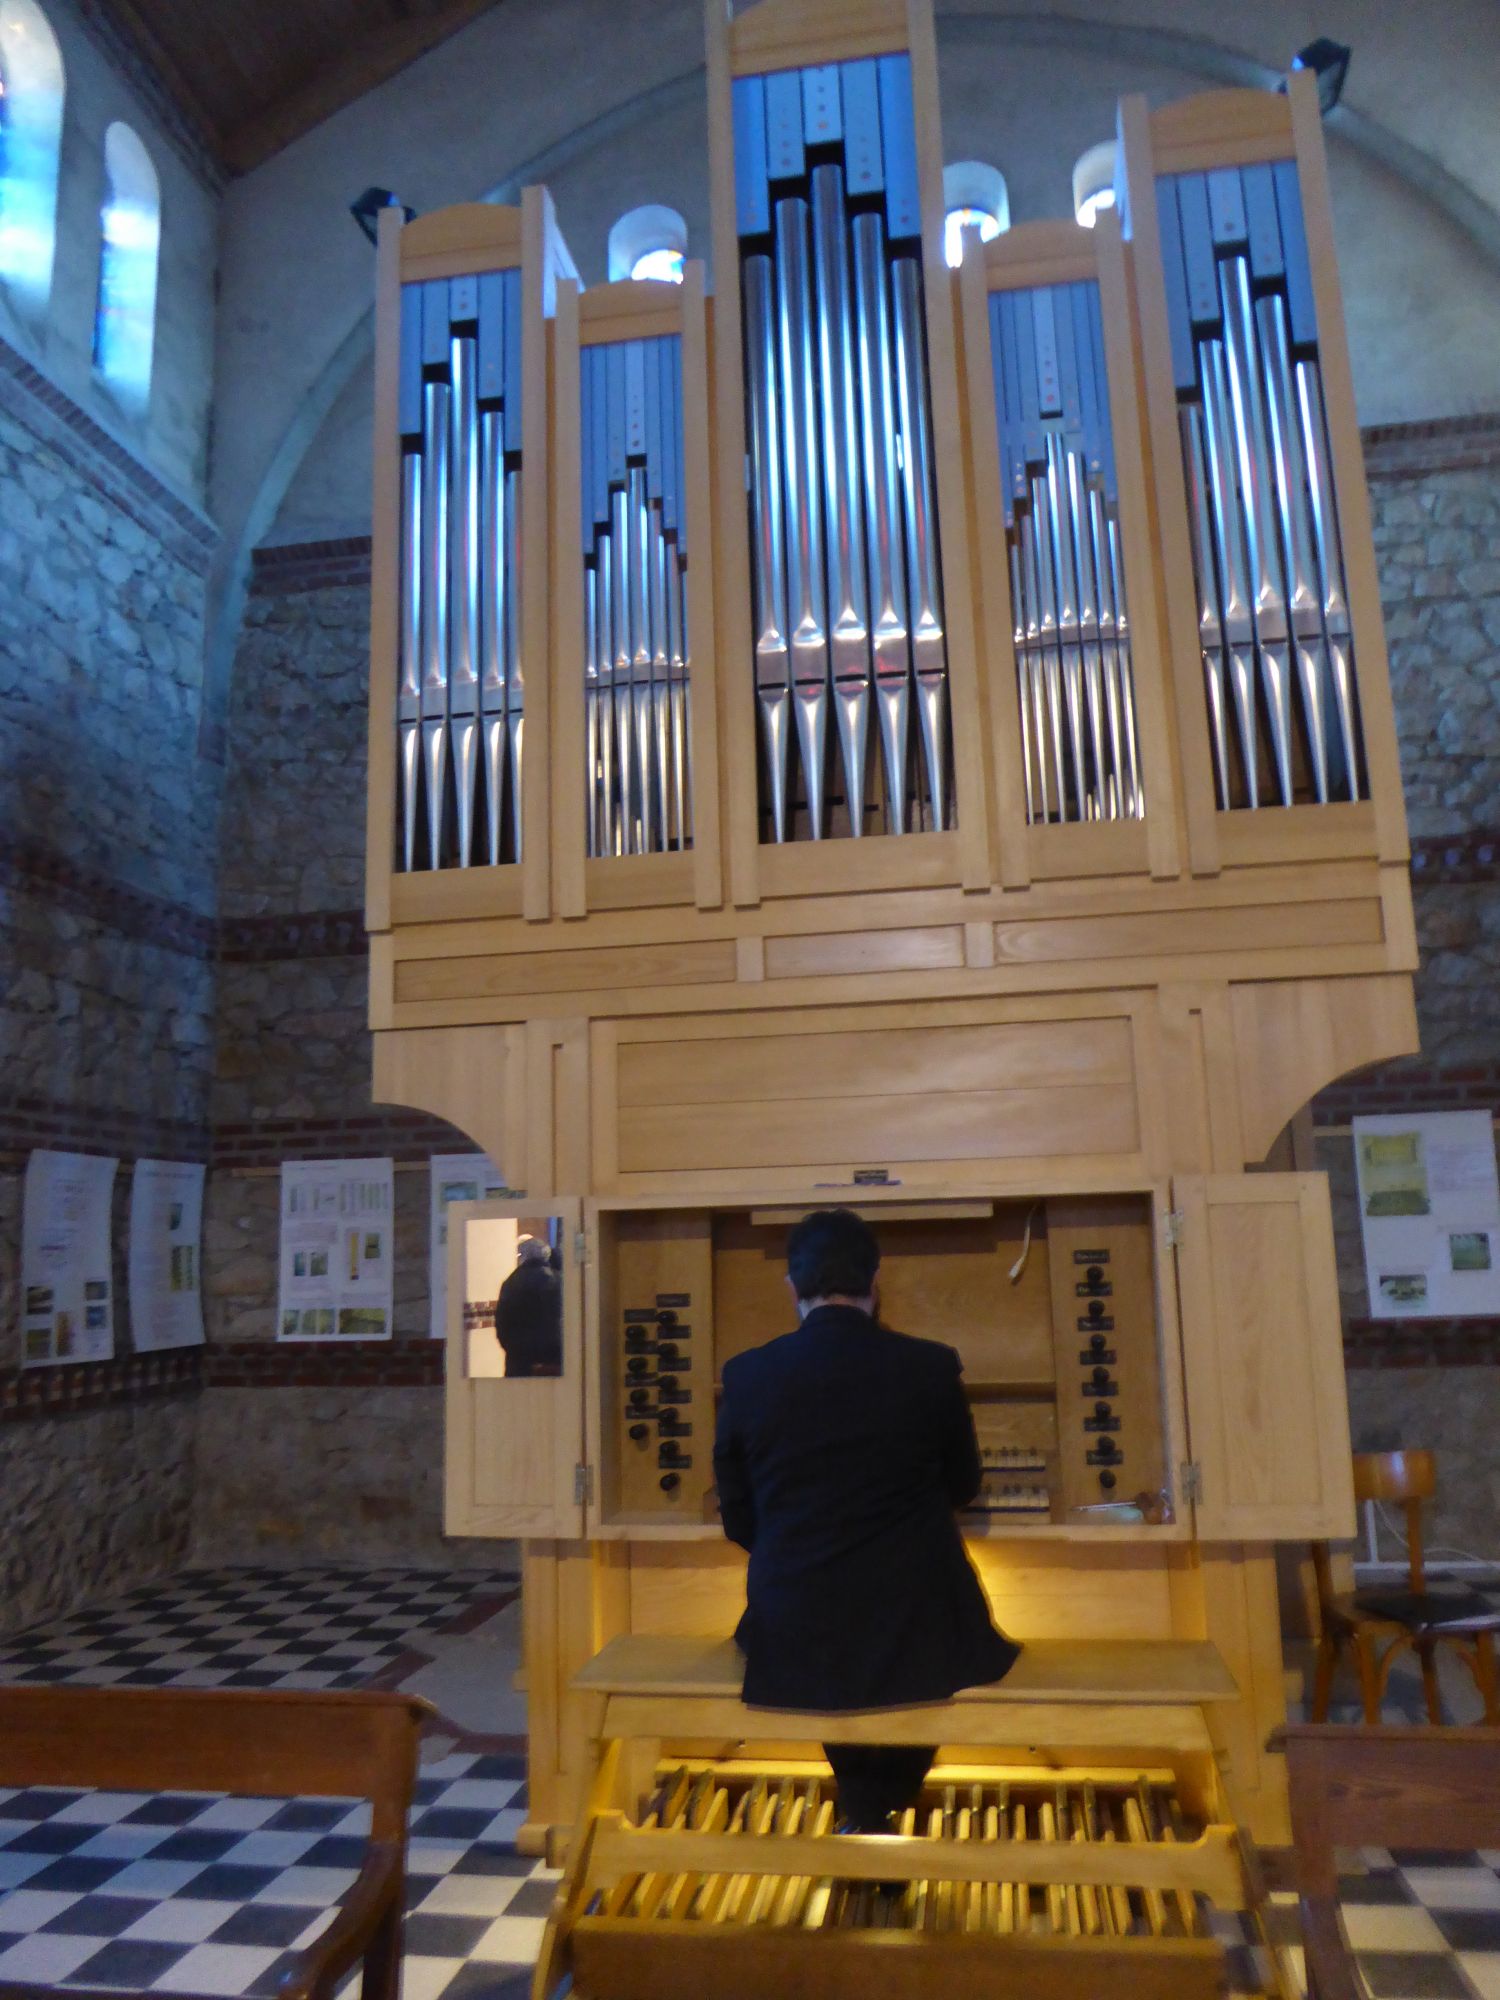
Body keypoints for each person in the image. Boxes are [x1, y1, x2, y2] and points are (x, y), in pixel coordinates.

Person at [712, 1207, 1020, 1833]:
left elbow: (739, 1516)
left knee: (832, 1664)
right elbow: (963, 1487)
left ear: (792, 1288)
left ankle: (865, 1814)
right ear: (874, 1281)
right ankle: (883, 1812)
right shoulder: (930, 1365)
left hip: (796, 1613)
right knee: (918, 1657)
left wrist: (795, 1552)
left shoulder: (747, 1374)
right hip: (917, 1612)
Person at [494, 1235, 562, 1376]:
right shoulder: (559, 1281)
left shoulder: (511, 1283)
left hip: (520, 1361)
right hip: (554, 1358)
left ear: (523, 1255)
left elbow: (502, 1322)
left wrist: (513, 1350)